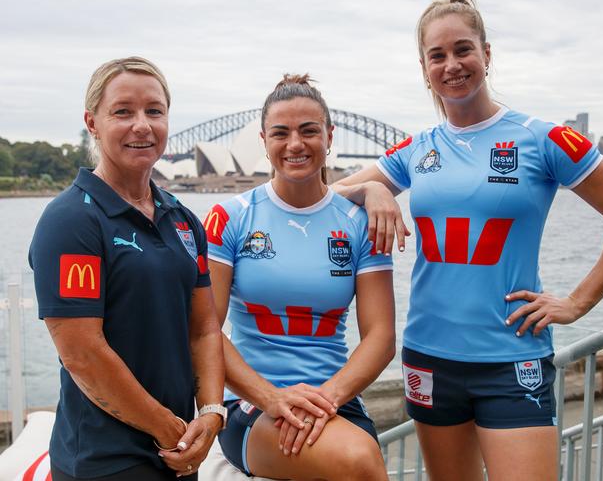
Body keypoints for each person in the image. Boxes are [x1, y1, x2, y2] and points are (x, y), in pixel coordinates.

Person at [333, 0, 603, 480]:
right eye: (437, 55)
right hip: (430, 357)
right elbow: (328, 198)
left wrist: (579, 302)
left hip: (512, 357)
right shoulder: (416, 149)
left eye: (463, 49)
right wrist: (374, 187)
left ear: (487, 53)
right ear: (424, 67)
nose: (452, 65)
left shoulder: (542, 138)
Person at [29, 56, 226, 480]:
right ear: (93, 123)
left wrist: (211, 413)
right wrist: (168, 429)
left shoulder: (182, 220)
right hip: (105, 461)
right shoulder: (72, 221)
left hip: (177, 452)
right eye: (123, 111)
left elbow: (204, 329)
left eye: (154, 111)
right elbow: (83, 354)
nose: (142, 125)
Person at [204, 74, 395, 480]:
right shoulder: (230, 218)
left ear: (330, 136)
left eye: (309, 131)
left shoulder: (361, 223)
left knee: (361, 459)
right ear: (263, 140)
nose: (295, 144)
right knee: (361, 463)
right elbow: (203, 330)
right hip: (252, 403)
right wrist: (271, 398)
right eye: (281, 133)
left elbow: (381, 337)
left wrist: (326, 399)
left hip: (335, 401)